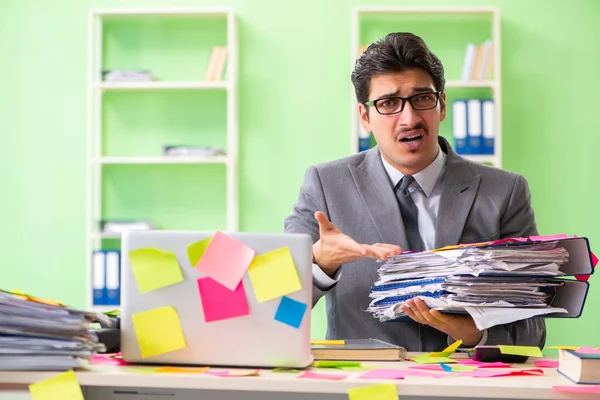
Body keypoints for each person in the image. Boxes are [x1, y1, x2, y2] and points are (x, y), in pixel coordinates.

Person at [284, 32, 545, 351]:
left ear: (442, 105)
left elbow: (533, 330)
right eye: (389, 103)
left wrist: (470, 331)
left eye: (422, 98)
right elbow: (278, 311)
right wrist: (321, 264)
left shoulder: (504, 191)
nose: (409, 119)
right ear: (365, 117)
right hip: (364, 388)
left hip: (465, 388)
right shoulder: (325, 185)